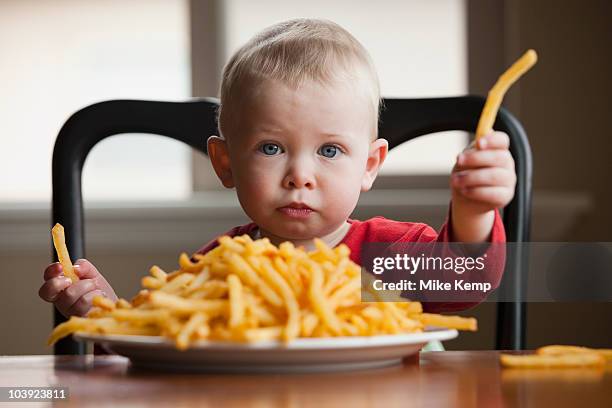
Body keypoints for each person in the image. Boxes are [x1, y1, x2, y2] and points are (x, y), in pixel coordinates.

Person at [39, 18, 515, 320]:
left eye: (329, 151)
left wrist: (473, 209)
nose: (299, 176)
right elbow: (160, 345)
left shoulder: (384, 252)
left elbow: (463, 280)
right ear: (226, 163)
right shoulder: (220, 267)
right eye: (270, 148)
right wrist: (102, 311)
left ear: (369, 165)